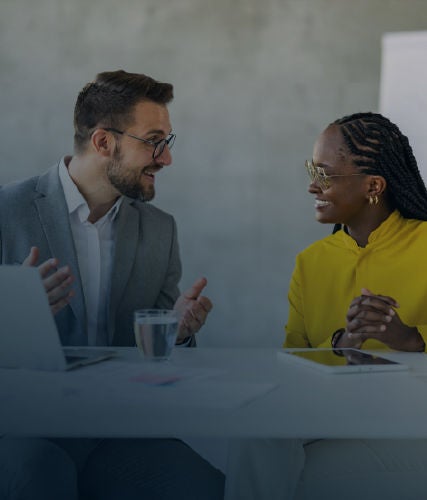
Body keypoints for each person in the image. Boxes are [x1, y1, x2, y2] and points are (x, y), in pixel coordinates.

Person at [0, 70, 224, 500]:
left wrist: (176, 334)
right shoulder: (7, 211)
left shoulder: (161, 230)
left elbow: (158, 359)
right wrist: (16, 314)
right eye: (154, 141)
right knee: (39, 475)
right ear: (104, 142)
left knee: (208, 488)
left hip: (121, 433)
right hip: (25, 433)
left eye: (168, 142)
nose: (166, 158)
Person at [225, 112, 427, 500]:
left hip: (411, 421)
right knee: (257, 428)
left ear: (373, 185)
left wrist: (411, 339)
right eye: (310, 171)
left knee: (295, 472)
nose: (312, 188)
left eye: (325, 174)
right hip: (332, 414)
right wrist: (343, 342)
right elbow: (291, 365)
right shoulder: (311, 262)